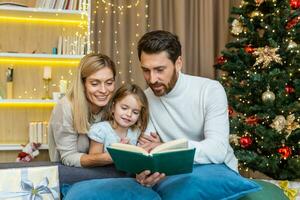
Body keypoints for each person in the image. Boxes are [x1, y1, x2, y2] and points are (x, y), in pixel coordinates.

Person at [134, 30, 238, 188]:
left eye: (160, 70)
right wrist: (144, 172)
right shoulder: (145, 98)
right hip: (172, 174)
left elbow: (217, 150)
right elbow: (148, 150)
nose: (152, 79)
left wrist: (165, 147)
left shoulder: (210, 90)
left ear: (178, 63)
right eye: (146, 70)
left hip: (216, 171)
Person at [48, 53, 117, 167]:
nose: (104, 90)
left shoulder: (114, 106)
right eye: (95, 83)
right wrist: (109, 157)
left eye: (109, 83)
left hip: (104, 174)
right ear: (82, 84)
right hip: (71, 176)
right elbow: (68, 157)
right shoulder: (66, 107)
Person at [88, 84, 149, 164]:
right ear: (113, 107)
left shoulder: (135, 132)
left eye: (135, 112)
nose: (129, 114)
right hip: (104, 173)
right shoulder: (100, 130)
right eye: (124, 108)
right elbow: (93, 159)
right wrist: (117, 152)